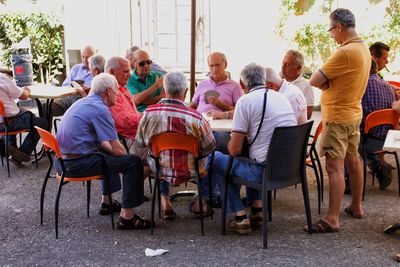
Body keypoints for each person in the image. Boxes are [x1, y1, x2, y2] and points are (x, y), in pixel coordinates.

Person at [56, 73, 151, 230]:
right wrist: (124, 156)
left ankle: (107, 203)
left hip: (62, 161)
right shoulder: (100, 109)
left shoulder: (83, 102)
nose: (118, 95)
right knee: (133, 162)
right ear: (108, 91)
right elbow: (118, 150)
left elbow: (104, 144)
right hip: (75, 165)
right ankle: (127, 217)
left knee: (108, 154)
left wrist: (115, 153)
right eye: (117, 91)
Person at [210, 63, 296, 234]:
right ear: (264, 81)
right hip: (289, 169)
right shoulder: (282, 97)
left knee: (216, 160)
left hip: (264, 172)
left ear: (242, 85)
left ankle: (240, 217)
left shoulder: (245, 101)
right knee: (252, 153)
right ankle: (257, 209)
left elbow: (234, 150)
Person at [308, 8, 371, 233]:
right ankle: (356, 206)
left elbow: (314, 79)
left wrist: (326, 85)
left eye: (331, 30)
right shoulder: (363, 48)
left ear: (339, 27)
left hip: (337, 117)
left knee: (334, 167)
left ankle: (332, 218)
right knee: (353, 160)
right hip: (354, 113)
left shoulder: (344, 52)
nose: (332, 35)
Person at [136, 71, 216, 220]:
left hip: (160, 169)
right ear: (185, 92)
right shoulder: (196, 118)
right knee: (213, 155)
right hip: (191, 171)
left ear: (164, 91)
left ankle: (165, 201)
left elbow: (140, 142)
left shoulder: (148, 114)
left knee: (155, 154)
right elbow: (210, 146)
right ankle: (201, 201)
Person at [360, 59, 398, 190]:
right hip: (386, 139)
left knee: (347, 137)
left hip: (368, 141)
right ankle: (380, 169)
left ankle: (348, 179)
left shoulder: (362, 86)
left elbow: (360, 116)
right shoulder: (388, 86)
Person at [0, 73, 48, 166]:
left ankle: (11, 146)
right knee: (42, 123)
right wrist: (26, 89)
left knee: (22, 112)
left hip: (3, 123)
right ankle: (22, 153)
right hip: (9, 123)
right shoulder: (1, 78)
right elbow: (24, 96)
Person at [105, 56, 143, 155]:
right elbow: (124, 120)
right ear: (112, 72)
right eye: (126, 72)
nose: (130, 75)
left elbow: (134, 115)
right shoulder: (110, 92)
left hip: (137, 137)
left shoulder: (122, 88)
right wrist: (149, 116)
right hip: (128, 143)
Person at [49, 46, 96, 117]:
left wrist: (89, 89)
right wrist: (73, 88)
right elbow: (65, 85)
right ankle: (45, 127)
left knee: (77, 112)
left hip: (83, 100)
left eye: (88, 57)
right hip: (68, 98)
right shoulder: (76, 68)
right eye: (83, 57)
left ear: (94, 57)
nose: (85, 60)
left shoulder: (97, 71)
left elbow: (100, 92)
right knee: (46, 107)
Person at [281, 49, 315, 119]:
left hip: (292, 126)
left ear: (298, 68)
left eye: (287, 64)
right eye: (283, 63)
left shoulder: (306, 85)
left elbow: (308, 114)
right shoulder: (278, 82)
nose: (283, 67)